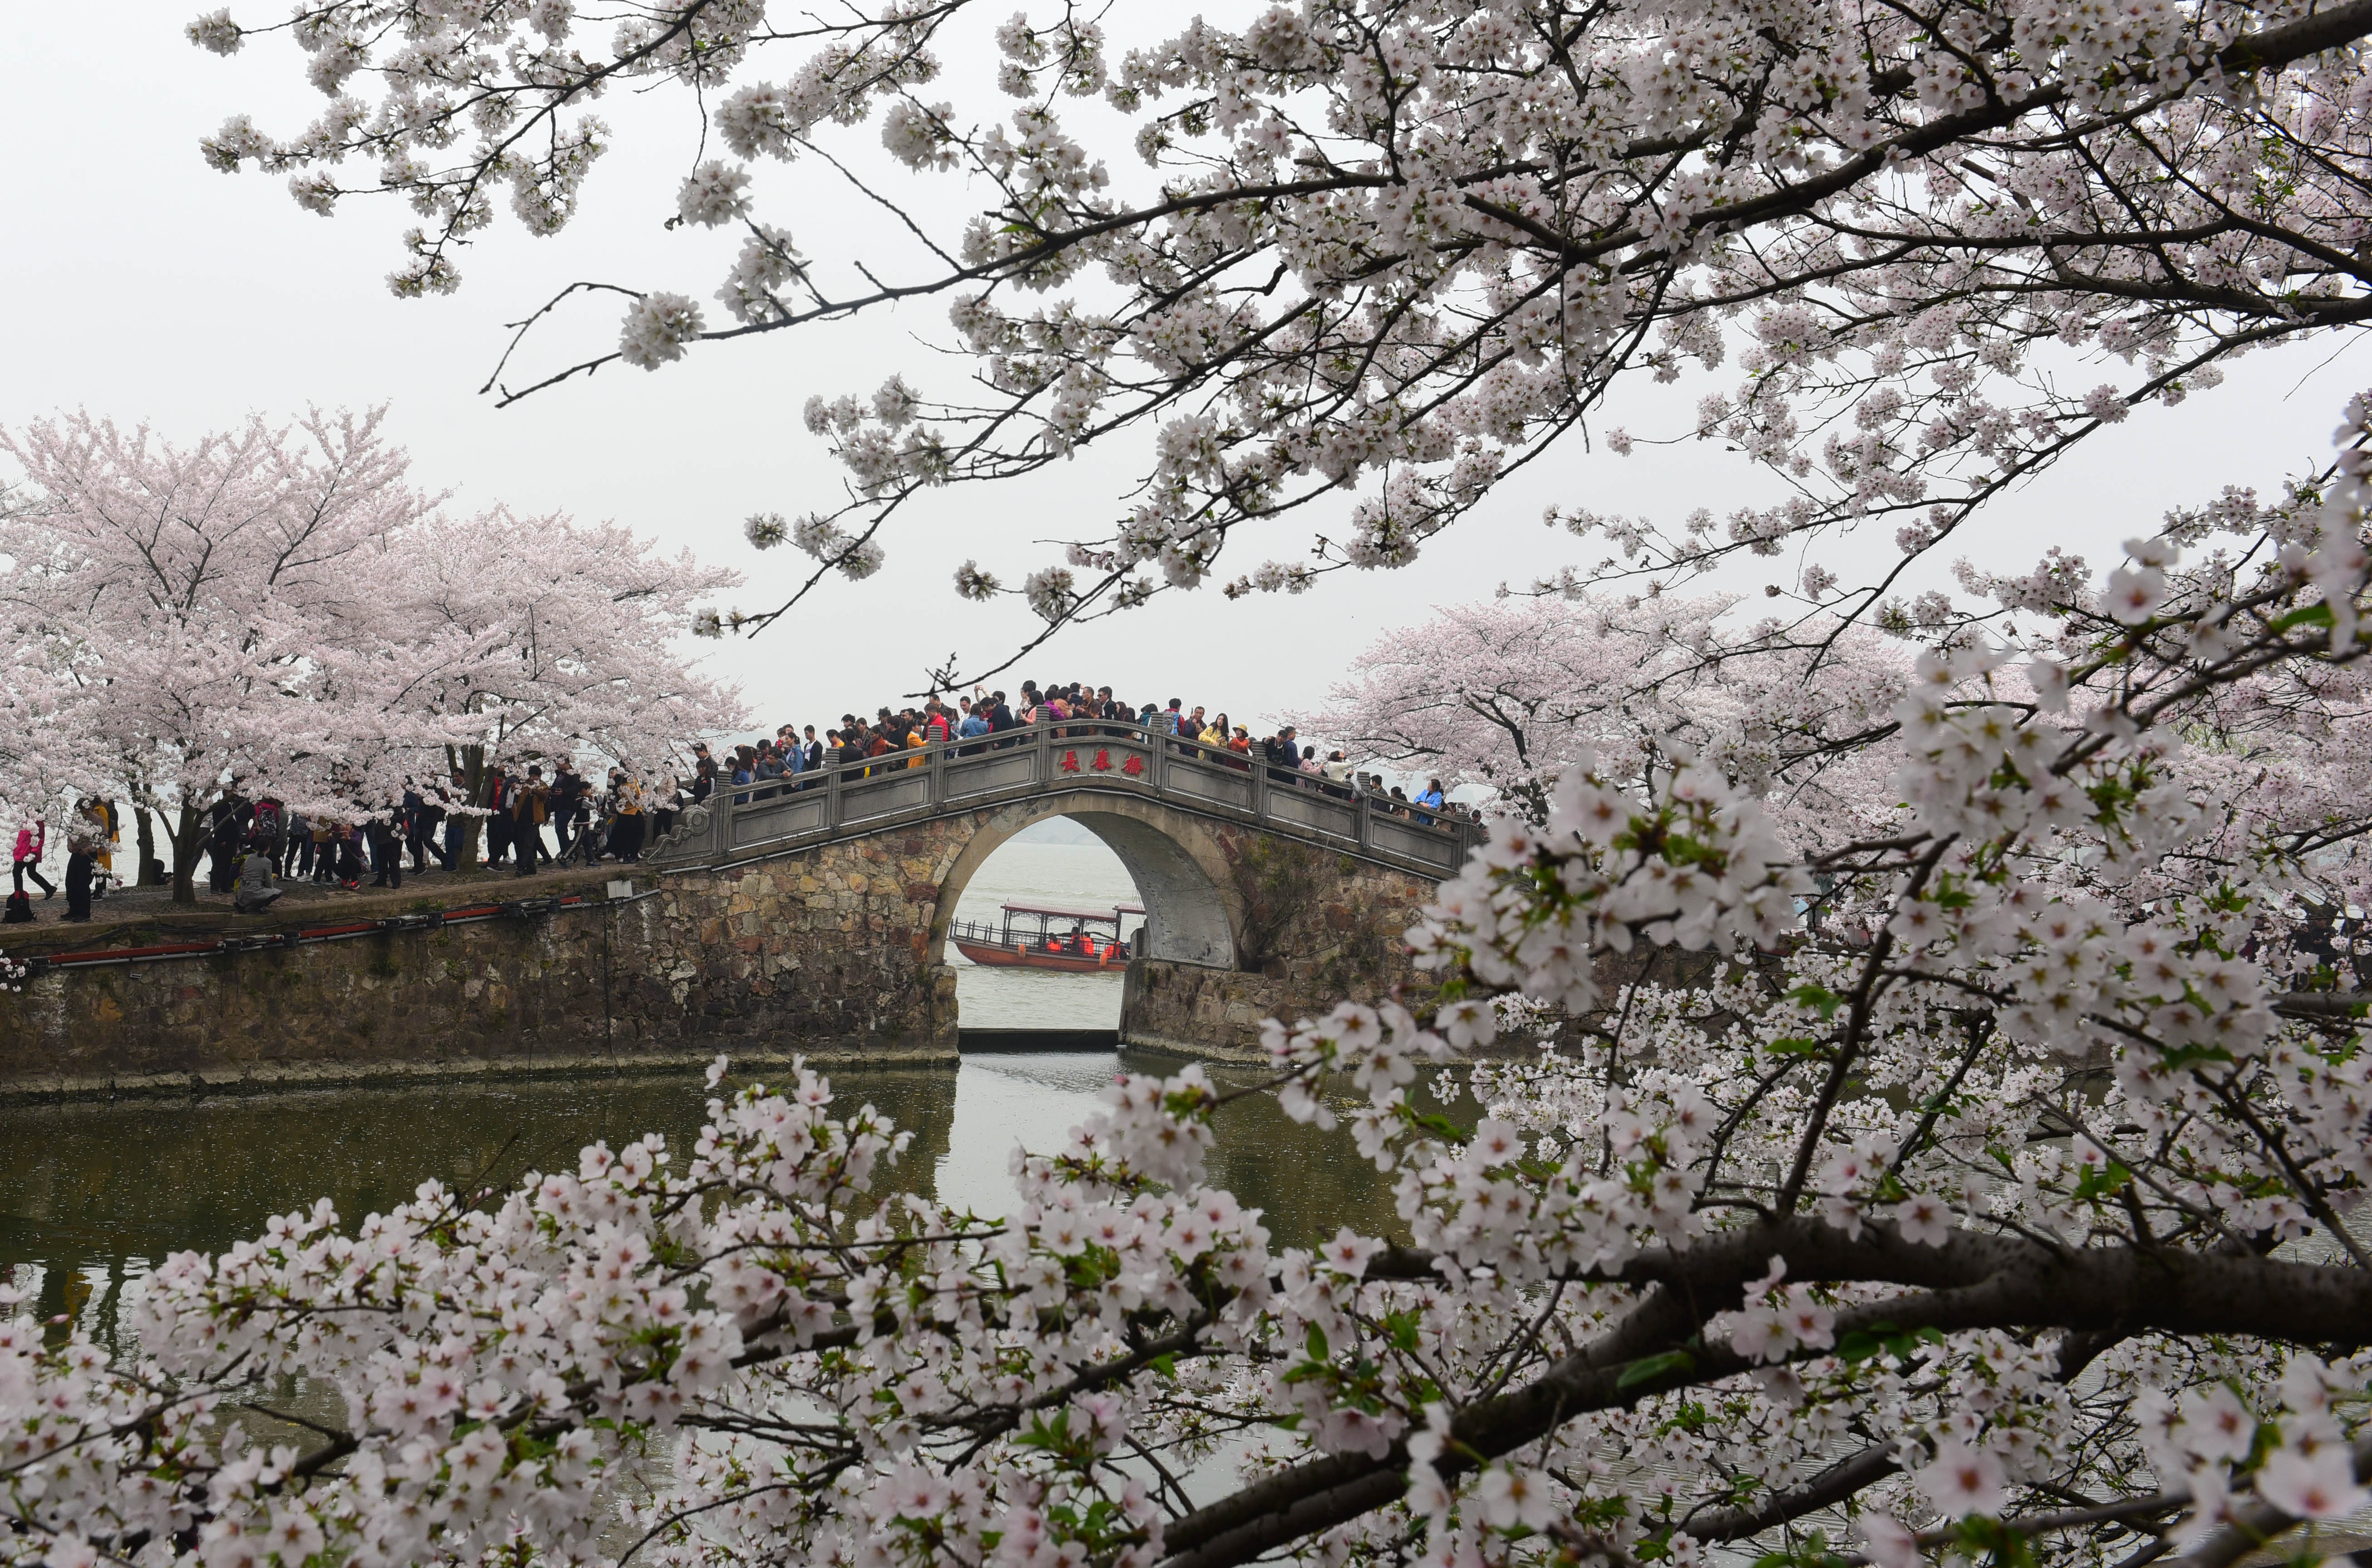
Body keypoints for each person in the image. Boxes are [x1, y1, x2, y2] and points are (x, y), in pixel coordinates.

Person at [510, 766, 550, 875]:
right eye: (531, 776)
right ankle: (531, 868)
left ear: (539, 777)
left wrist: (534, 790)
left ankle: (521, 868)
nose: (532, 778)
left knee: (528, 844)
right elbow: (516, 798)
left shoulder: (543, 787)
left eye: (534, 776)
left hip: (534, 819)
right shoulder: (525, 786)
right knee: (521, 843)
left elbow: (545, 797)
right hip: (522, 819)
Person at [11, 820, 53, 900]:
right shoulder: (26, 821)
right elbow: (22, 837)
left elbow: (41, 838)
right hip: (22, 851)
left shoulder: (38, 822)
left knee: (18, 872)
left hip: (30, 852)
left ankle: (19, 895)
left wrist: (34, 852)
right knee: (30, 873)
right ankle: (49, 888)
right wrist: (17, 849)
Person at [609, 768, 645, 862]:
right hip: (634, 812)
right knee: (638, 834)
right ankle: (634, 855)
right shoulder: (632, 786)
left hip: (625, 813)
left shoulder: (621, 787)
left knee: (626, 836)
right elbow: (638, 797)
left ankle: (625, 857)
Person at [63, 822, 96, 922]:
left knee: (83, 884)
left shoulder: (96, 821)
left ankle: (84, 913)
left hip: (88, 855)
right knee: (70, 882)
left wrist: (90, 849)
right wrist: (70, 845)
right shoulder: (74, 822)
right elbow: (70, 835)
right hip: (76, 853)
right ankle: (74, 909)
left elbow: (102, 838)